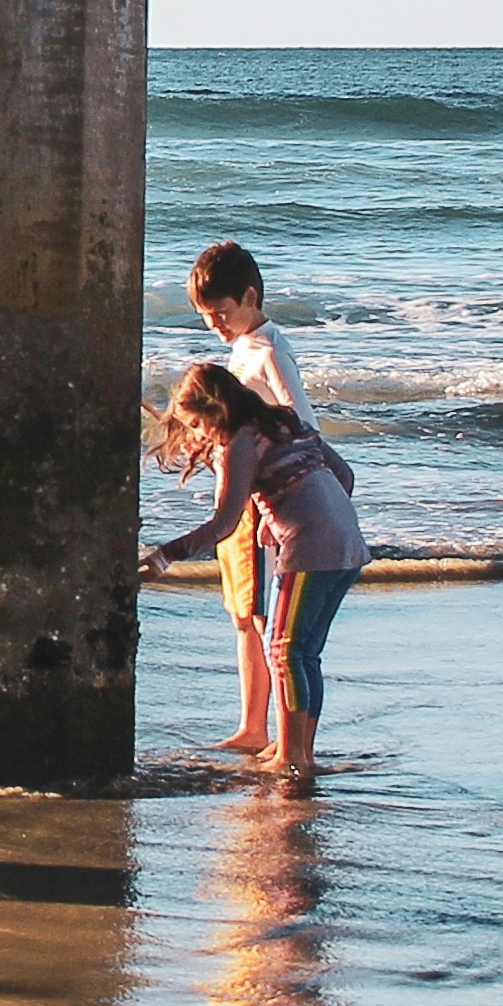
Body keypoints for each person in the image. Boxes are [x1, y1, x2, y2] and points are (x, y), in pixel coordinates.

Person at [145, 358, 366, 784]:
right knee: (304, 653)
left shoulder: (236, 444)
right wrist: (281, 511)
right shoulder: (284, 422)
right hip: (349, 543)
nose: (196, 435)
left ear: (215, 410)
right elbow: (344, 475)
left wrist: (166, 554)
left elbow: (223, 523)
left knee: (283, 650)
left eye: (196, 424)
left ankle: (292, 757)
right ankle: (297, 750)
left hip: (310, 548)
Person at [177, 240, 314, 756]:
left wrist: (285, 502)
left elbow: (301, 422)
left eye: (220, 313)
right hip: (240, 496)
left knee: (263, 616)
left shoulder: (271, 349)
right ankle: (250, 724)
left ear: (250, 297)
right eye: (206, 317)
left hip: (263, 503)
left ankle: (275, 733)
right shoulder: (241, 348)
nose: (215, 325)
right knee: (241, 612)